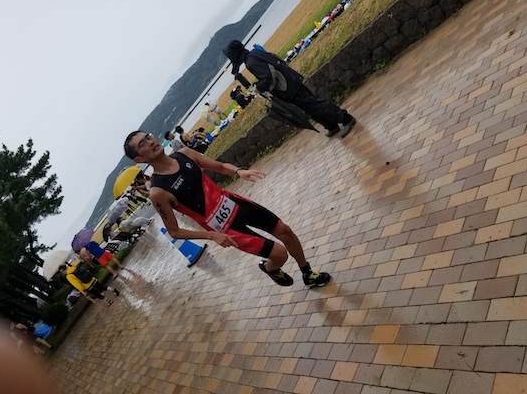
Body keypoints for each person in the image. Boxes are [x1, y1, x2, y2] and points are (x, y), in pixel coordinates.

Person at [123, 132, 331, 288]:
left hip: (235, 203)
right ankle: (270, 268)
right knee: (280, 254)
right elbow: (174, 231)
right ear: (139, 159)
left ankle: (308, 273)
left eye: (148, 137)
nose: (150, 142)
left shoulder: (184, 155)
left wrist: (239, 171)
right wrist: (210, 235)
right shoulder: (158, 191)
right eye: (142, 144)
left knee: (285, 230)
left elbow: (220, 167)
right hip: (225, 228)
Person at [223, 40, 357, 138]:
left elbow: (269, 76)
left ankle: (345, 119)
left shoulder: (251, 62)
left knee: (314, 105)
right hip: (291, 80)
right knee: (310, 107)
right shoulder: (255, 53)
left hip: (288, 88)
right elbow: (272, 64)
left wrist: (259, 88)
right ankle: (331, 125)